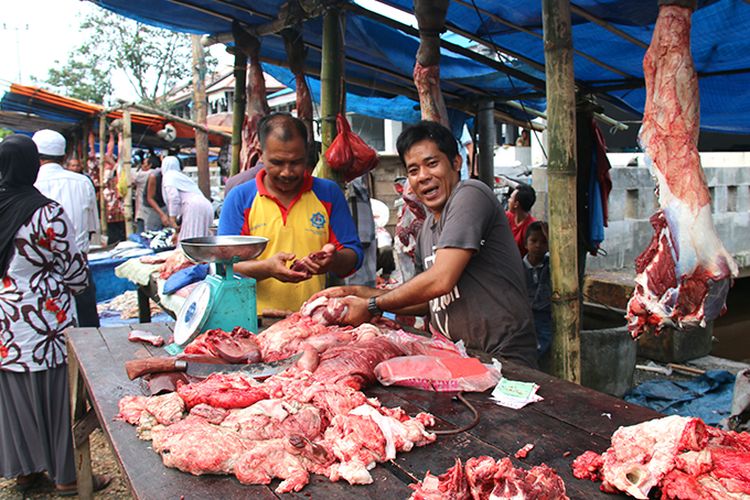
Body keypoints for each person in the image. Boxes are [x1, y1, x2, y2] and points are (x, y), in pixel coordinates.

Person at [314, 121, 538, 367]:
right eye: (413, 170)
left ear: (456, 163)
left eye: (432, 164)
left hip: (503, 356)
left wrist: (372, 305)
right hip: (461, 358)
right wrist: (359, 292)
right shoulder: (426, 230)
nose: (423, 177)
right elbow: (426, 301)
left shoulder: (471, 194)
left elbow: (441, 279)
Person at [0, 135, 110, 495]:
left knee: (15, 401)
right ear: (32, 166)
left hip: (5, 325)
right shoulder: (46, 213)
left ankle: (25, 473)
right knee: (58, 402)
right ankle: (66, 477)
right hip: (44, 324)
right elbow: (76, 273)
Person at [218, 113, 363, 314]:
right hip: (252, 320)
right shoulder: (240, 198)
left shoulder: (328, 194)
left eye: (296, 162)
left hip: (313, 320)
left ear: (307, 153)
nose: (287, 172)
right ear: (260, 153)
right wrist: (267, 268)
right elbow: (225, 266)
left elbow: (354, 256)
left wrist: (333, 259)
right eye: (277, 163)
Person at [32, 129, 101, 328]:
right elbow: (90, 229)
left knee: (48, 329)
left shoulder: (30, 183)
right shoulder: (82, 183)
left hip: (41, 271)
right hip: (78, 266)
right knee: (89, 332)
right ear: (63, 157)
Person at [161, 156, 213, 242]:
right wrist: (177, 233)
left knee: (189, 242)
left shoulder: (169, 175)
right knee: (201, 239)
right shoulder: (181, 177)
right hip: (205, 205)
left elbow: (173, 197)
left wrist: (172, 218)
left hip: (194, 207)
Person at [523, 221, 552, 357]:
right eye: (533, 241)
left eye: (543, 242)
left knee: (541, 347)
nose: (538, 245)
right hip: (522, 316)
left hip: (543, 317)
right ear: (525, 244)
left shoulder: (550, 267)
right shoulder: (518, 267)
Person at [505, 183, 537, 257]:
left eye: (510, 198)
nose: (508, 200)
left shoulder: (531, 226)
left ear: (516, 204)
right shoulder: (506, 217)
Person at [142, 154, 167, 232]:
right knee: (152, 232)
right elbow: (150, 198)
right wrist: (162, 214)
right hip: (152, 209)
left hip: (164, 205)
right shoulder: (154, 176)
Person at [132, 152, 151, 234]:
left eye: (144, 163)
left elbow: (131, 178)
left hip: (143, 209)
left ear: (150, 165)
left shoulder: (146, 175)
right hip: (152, 210)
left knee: (141, 234)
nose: (143, 165)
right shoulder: (158, 173)